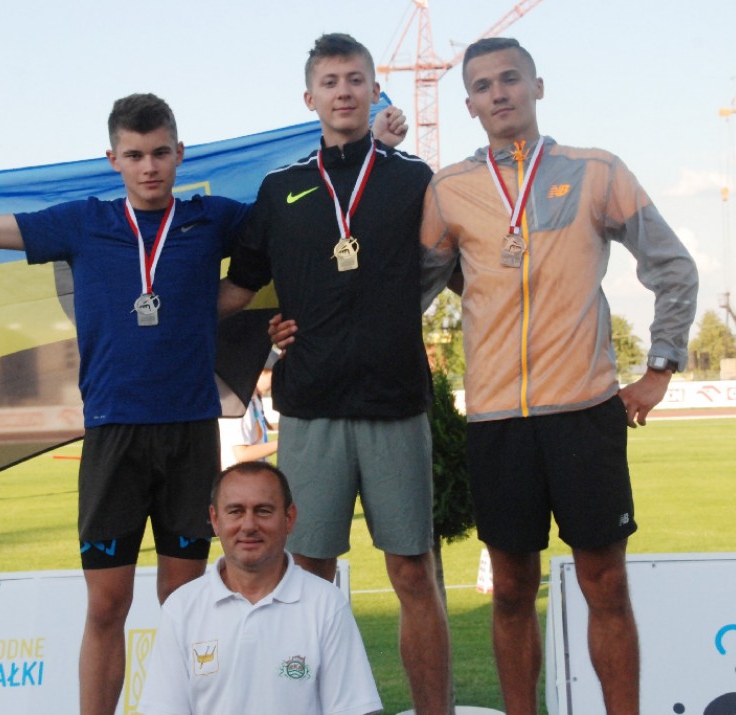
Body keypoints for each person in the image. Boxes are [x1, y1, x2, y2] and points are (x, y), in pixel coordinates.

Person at [0, 93, 407, 715]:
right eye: (135, 155)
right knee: (106, 606)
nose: (150, 167)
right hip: (114, 435)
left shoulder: (212, 219)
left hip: (189, 433)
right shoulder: (83, 223)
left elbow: (305, 214)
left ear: (180, 153)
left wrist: (376, 151)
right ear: (113, 159)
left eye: (160, 153)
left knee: (187, 606)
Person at [419, 38, 698, 714]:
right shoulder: (448, 189)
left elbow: (673, 268)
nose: (499, 93)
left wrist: (660, 367)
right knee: (512, 589)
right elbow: (407, 293)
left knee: (606, 584)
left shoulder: (597, 170)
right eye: (483, 85)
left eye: (510, 78)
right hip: (496, 421)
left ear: (537, 86)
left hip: (584, 413)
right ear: (469, 104)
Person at [219, 33, 451, 714]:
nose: (343, 91)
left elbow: (460, 266)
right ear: (309, 98)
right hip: (311, 407)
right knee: (308, 578)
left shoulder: (415, 180)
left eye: (355, 80)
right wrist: (178, 317)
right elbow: (240, 289)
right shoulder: (281, 189)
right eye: (330, 82)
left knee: (413, 572)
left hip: (395, 402)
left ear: (375, 90)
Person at [139, 461, 383, 715]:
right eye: (235, 511)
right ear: (215, 519)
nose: (248, 525)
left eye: (263, 511)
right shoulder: (181, 608)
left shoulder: (326, 605)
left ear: (289, 518)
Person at [219, 349, 279, 468]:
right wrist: (281, 443)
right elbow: (241, 455)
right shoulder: (238, 404)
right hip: (238, 476)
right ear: (260, 373)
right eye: (273, 375)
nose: (276, 382)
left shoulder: (254, 400)